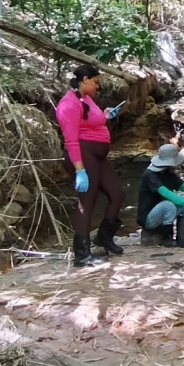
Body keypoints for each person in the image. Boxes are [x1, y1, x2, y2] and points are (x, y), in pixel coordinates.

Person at [56, 64, 125, 267]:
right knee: (87, 203)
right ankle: (82, 254)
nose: (97, 87)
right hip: (83, 156)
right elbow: (71, 141)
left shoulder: (85, 99)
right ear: (85, 80)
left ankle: (103, 237)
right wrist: (80, 171)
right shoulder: (68, 104)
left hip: (97, 156)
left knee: (117, 194)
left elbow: (91, 120)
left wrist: (105, 115)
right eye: (95, 82)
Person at [137, 144, 184, 247]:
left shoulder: (169, 173)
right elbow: (164, 192)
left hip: (164, 211)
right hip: (148, 218)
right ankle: (167, 238)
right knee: (168, 204)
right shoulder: (150, 175)